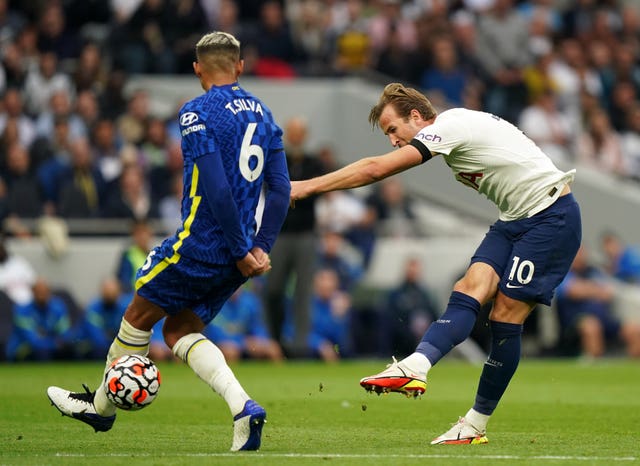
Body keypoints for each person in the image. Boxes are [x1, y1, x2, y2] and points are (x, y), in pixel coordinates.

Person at [290, 82, 581, 444]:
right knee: (467, 288)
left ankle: (474, 424)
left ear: (416, 116)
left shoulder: (449, 126)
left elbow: (375, 169)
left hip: (551, 216)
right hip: (515, 220)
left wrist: (305, 187)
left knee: (505, 314)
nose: (393, 141)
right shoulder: (456, 131)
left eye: (393, 130)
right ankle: (416, 366)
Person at [46, 31, 291, 452]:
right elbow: (282, 188)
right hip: (239, 253)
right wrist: (259, 247)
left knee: (139, 312)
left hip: (202, 244)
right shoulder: (265, 116)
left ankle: (100, 409)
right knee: (179, 330)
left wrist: (238, 247)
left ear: (197, 69)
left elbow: (215, 188)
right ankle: (244, 409)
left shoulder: (196, 111)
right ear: (241, 66)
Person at [555, 246, 640, 359]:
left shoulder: (594, 272)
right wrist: (595, 289)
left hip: (605, 318)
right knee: (592, 326)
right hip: (576, 322)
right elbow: (573, 291)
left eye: (582, 253)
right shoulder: (562, 273)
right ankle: (593, 365)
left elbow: (608, 292)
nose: (580, 257)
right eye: (577, 254)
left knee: (634, 329)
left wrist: (587, 289)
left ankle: (628, 369)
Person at [202, 284, 283, 363]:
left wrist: (258, 340)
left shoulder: (250, 301)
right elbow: (214, 335)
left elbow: (258, 327)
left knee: (273, 348)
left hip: (248, 344)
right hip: (223, 345)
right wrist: (243, 342)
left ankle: (278, 375)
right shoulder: (214, 302)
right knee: (230, 352)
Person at [6, 277, 75, 361]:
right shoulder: (22, 311)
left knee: (70, 350)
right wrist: (55, 344)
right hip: (23, 349)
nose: (42, 294)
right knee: (41, 352)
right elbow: (32, 341)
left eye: (44, 292)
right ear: (33, 292)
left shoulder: (58, 308)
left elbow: (65, 334)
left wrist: (61, 342)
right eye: (38, 292)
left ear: (49, 292)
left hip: (49, 347)